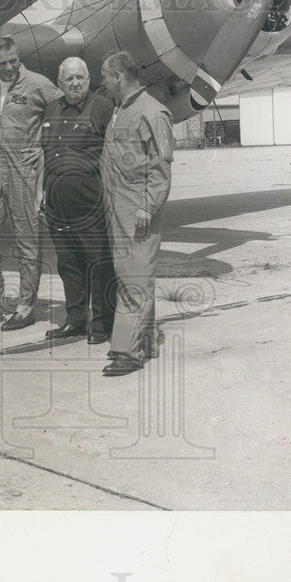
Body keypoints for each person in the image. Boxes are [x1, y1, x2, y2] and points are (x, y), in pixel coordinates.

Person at [0, 37, 60, 331]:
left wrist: (44, 147)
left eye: (13, 61)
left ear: (19, 57)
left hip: (24, 173)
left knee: (27, 241)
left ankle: (25, 306)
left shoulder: (38, 84)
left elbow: (63, 115)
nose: (9, 68)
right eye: (2, 63)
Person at [23, 57, 116, 345]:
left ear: (89, 79)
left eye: (80, 78)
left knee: (97, 263)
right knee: (68, 264)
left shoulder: (102, 108)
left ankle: (103, 322)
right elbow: (44, 154)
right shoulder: (52, 108)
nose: (75, 83)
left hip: (89, 201)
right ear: (60, 83)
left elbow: (113, 155)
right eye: (69, 79)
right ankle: (75, 320)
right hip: (56, 203)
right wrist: (39, 191)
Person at [99, 51, 174, 376]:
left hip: (138, 209)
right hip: (117, 207)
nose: (101, 82)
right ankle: (146, 343)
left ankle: (127, 351)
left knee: (134, 280)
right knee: (132, 276)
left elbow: (161, 168)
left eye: (105, 76)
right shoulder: (120, 111)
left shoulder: (153, 113)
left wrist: (147, 205)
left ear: (118, 77)